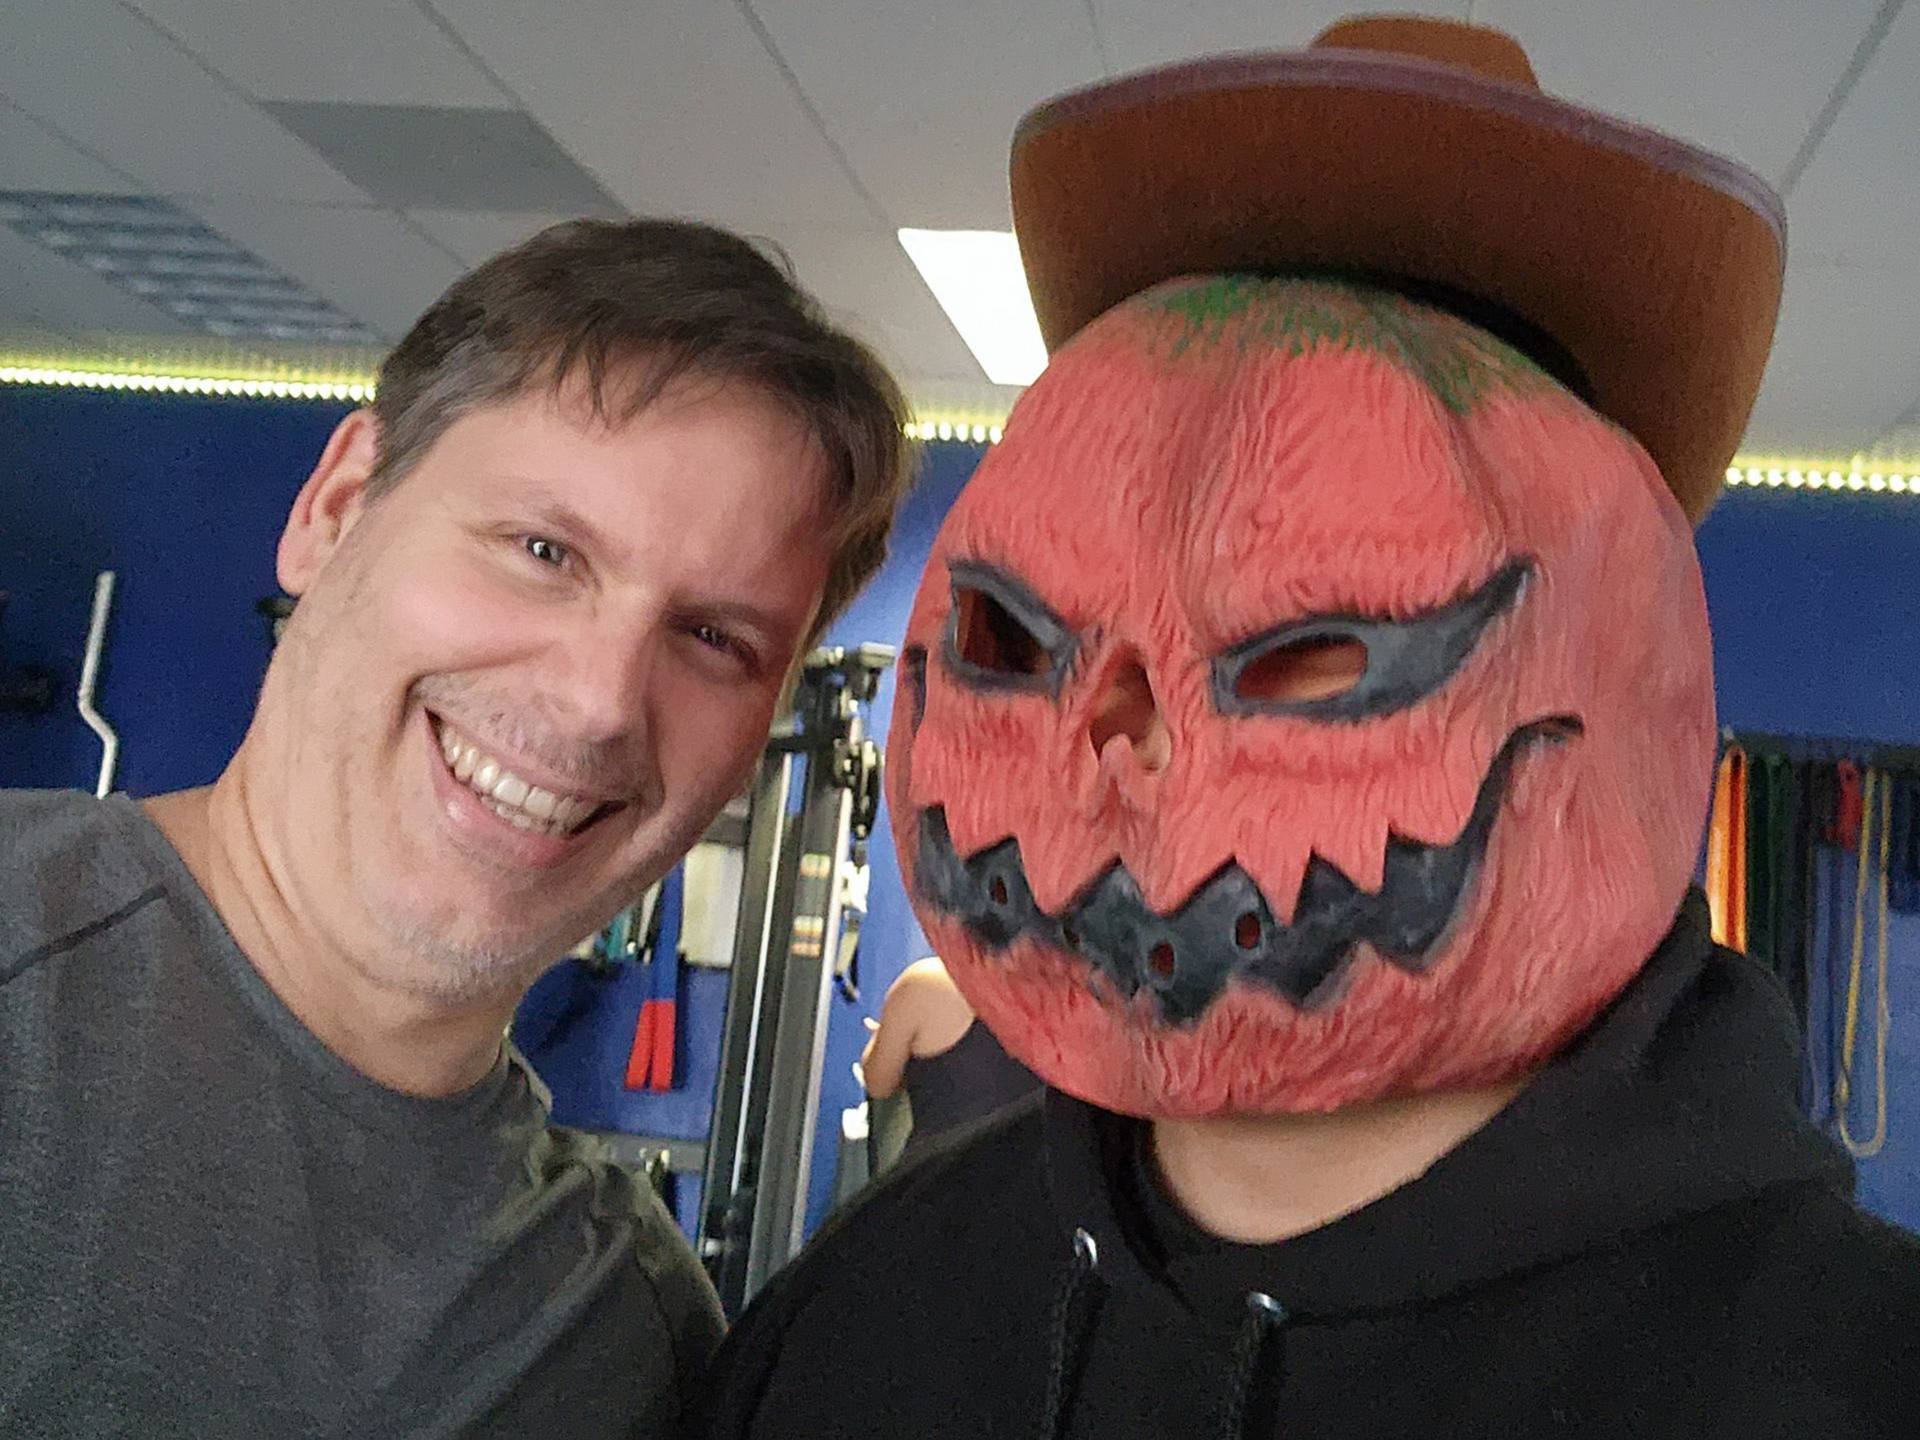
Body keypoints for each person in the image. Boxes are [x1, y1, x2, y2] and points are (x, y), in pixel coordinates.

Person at [695, 16, 1920, 1440]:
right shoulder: (858, 1312)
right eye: (1012, 638)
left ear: (1638, 696)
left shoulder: (1852, 1375)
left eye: (1304, 657)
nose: (1122, 752)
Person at [0, 217, 911, 1437]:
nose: (598, 703)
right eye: (544, 550)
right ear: (335, 509)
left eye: (712, 638)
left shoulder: (619, 1337)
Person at [860, 956, 1041, 1156]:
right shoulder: (1061, 985)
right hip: (1043, 1168)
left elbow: (878, 1083)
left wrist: (884, 1038)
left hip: (946, 1170)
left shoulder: (926, 983)